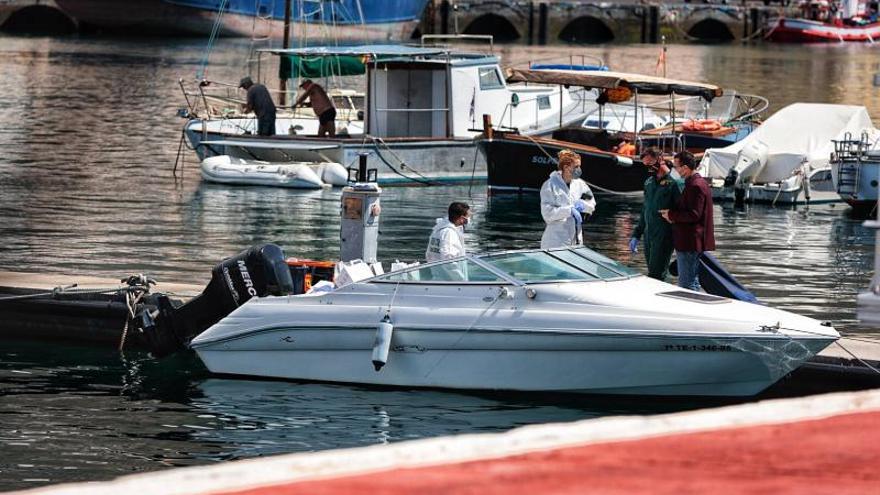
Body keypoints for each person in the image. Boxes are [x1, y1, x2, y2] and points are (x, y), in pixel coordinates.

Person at [659, 151, 715, 291]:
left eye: (676, 166)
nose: (674, 170)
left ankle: (690, 310)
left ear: (685, 167)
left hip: (689, 241)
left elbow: (694, 214)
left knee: (686, 284)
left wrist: (671, 215)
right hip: (691, 241)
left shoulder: (695, 185)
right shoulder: (695, 183)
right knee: (692, 281)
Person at [629, 148, 683, 282]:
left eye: (650, 164)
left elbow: (684, 210)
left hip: (664, 235)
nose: (648, 168)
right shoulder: (649, 183)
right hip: (649, 234)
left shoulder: (675, 182)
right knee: (652, 272)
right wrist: (636, 234)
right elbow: (645, 210)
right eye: (645, 166)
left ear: (660, 160)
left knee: (656, 274)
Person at [540, 149, 597, 250]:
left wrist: (584, 205)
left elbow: (592, 203)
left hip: (576, 241)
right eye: (576, 167)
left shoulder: (581, 184)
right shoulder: (550, 185)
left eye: (579, 166)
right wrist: (569, 211)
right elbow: (547, 214)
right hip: (555, 242)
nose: (579, 169)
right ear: (566, 167)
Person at [426, 202, 470, 280]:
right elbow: (448, 259)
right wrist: (461, 280)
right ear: (461, 219)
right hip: (451, 283)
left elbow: (429, 255)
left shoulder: (438, 230)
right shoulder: (449, 233)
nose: (468, 221)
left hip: (439, 279)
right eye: (467, 218)